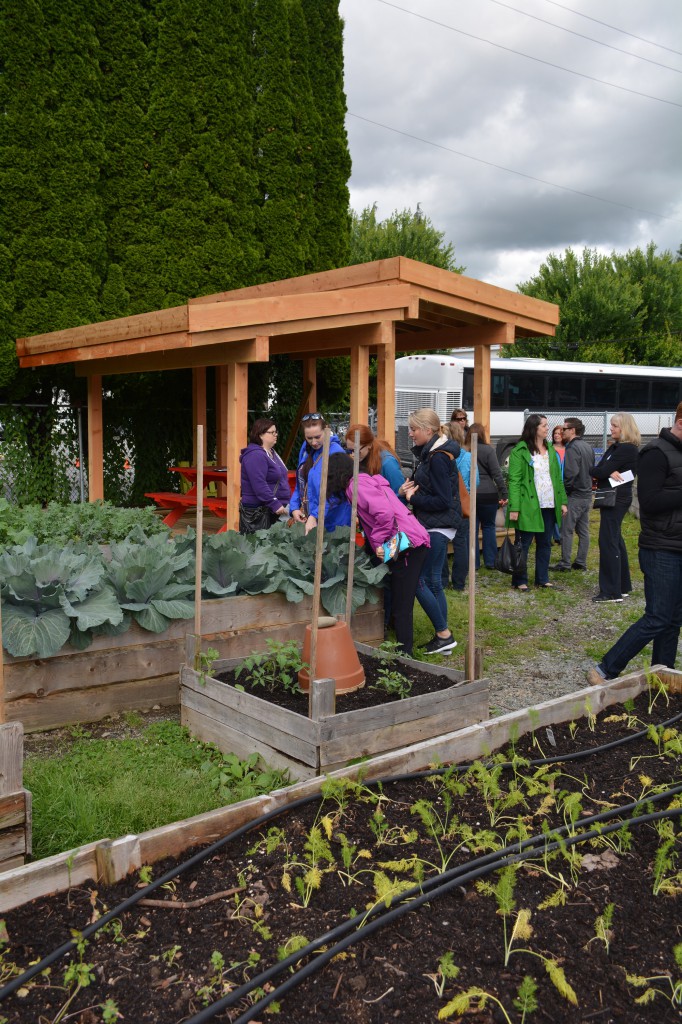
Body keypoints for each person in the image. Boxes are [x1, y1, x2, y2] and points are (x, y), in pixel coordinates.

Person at [587, 404, 682, 682]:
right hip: (661, 546)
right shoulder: (656, 453)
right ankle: (606, 669)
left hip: (678, 543)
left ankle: (661, 674)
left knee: (673, 619)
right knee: (658, 616)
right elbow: (650, 502)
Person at [326, 453, 430, 657]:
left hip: (406, 542)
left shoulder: (357, 486)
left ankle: (404, 654)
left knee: (402, 601)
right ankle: (400, 646)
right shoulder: (367, 481)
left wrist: (378, 541)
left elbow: (384, 514)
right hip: (408, 538)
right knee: (397, 592)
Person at [398, 408, 461, 654]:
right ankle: (443, 640)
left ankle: (444, 634)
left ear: (428, 430)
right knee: (434, 581)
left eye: (413, 429)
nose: (410, 434)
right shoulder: (433, 454)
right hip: (440, 525)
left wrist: (414, 498)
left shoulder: (437, 458)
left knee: (418, 582)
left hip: (437, 526)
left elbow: (443, 500)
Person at [506, 413, 568, 591]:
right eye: (544, 425)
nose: (548, 428)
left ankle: (542, 578)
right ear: (534, 428)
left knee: (545, 543)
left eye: (547, 425)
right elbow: (515, 481)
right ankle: (520, 579)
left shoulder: (550, 449)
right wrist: (515, 507)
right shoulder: (520, 451)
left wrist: (562, 501)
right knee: (523, 544)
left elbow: (558, 478)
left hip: (548, 504)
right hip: (528, 505)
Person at [591, 413, 640, 603]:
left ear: (625, 428)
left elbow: (599, 470)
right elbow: (598, 469)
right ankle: (622, 585)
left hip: (616, 498)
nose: (611, 429)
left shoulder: (626, 449)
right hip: (613, 496)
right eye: (611, 425)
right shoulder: (616, 447)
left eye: (615, 426)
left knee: (608, 541)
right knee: (615, 540)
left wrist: (605, 470)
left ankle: (611, 592)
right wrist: (607, 470)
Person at [290, 414, 351, 534]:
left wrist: (315, 515)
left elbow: (336, 493)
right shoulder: (305, 449)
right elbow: (301, 481)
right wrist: (294, 507)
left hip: (334, 523)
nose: (313, 442)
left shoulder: (336, 453)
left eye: (317, 437)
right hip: (311, 518)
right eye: (309, 438)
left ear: (327, 430)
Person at [551, 417, 594, 572]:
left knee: (566, 530)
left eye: (565, 428)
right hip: (586, 494)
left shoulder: (572, 448)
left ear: (573, 430)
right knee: (583, 530)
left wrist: (565, 491)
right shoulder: (588, 447)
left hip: (575, 495)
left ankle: (565, 562)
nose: (562, 431)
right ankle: (581, 561)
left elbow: (570, 473)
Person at [466, 422, 508, 570]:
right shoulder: (488, 450)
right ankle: (490, 561)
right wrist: (504, 492)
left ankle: (474, 562)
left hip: (472, 493)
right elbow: (497, 473)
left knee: (473, 529)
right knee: (489, 526)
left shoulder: (466, 450)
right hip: (489, 493)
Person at [239, 418, 290, 533]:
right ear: (260, 434)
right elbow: (259, 484)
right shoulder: (255, 455)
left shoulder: (271, 452)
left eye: (276, 432)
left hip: (272, 509)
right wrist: (274, 503)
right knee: (260, 546)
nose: (275, 435)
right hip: (259, 511)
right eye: (272, 432)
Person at [444, 420, 479, 591]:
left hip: (446, 504)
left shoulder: (443, 456)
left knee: (441, 542)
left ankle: (442, 580)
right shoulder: (467, 457)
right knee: (461, 543)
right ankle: (459, 583)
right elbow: (476, 481)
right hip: (464, 504)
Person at [344, 423, 405, 495]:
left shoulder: (388, 462)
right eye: (350, 451)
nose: (353, 455)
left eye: (356, 450)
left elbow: (401, 496)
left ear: (369, 445)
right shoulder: (363, 458)